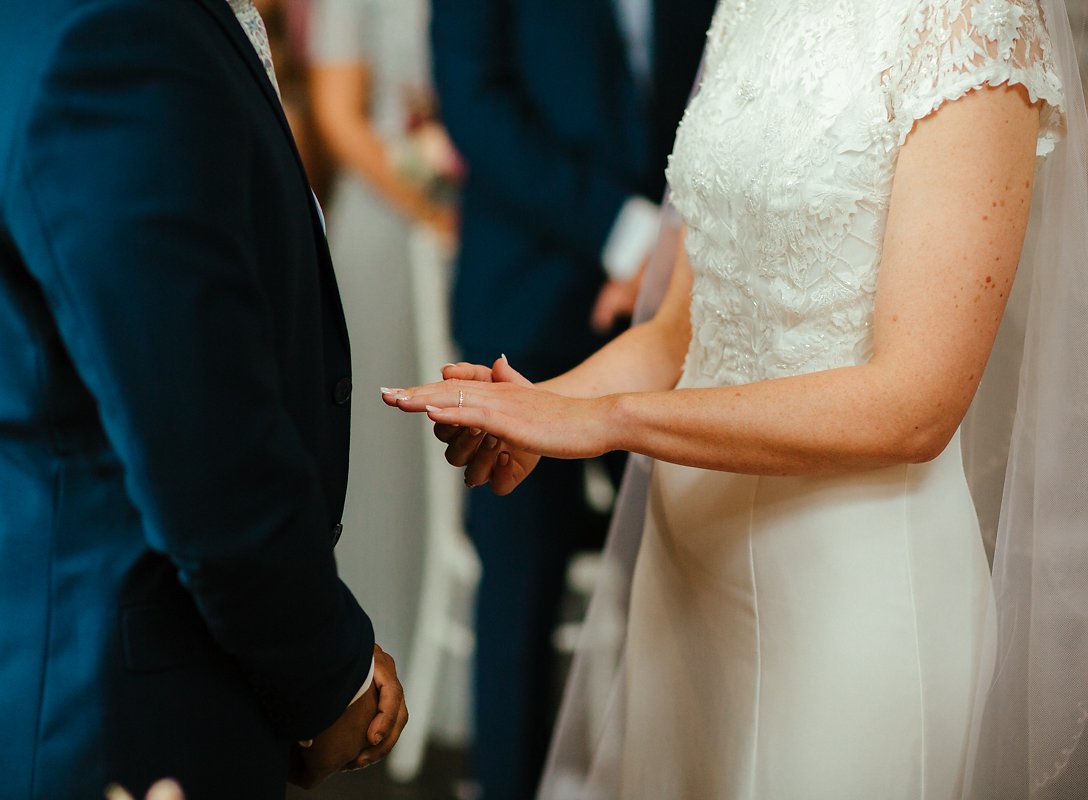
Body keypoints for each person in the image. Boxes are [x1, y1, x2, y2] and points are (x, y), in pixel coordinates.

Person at [388, 0, 1084, 796]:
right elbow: (681, 329)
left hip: (849, 594)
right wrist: (537, 411)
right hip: (688, 579)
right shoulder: (750, 8)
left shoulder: (973, 23)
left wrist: (607, 420)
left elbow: (914, 405)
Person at [0, 0, 407, 797]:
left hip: (44, 663)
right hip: (102, 707)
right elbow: (204, 445)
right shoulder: (117, 34)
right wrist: (330, 676)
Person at [425, 3, 715, 797]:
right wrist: (627, 234)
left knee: (691, 559)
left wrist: (672, 256)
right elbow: (475, 104)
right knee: (519, 578)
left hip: (682, 311)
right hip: (528, 298)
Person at [307, 0, 459, 669]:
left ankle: (452, 660)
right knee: (381, 438)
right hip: (386, 216)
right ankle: (367, 652)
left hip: (479, 214)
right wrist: (427, 206)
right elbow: (338, 115)